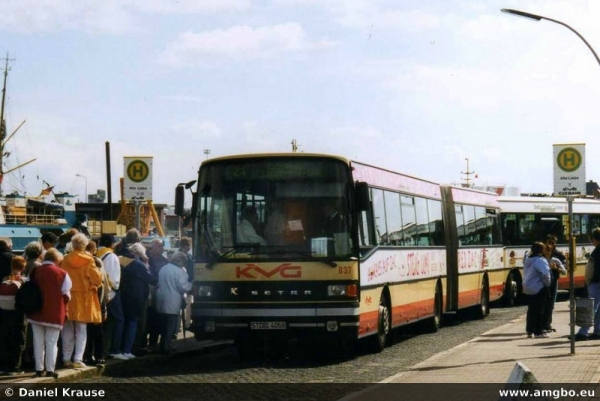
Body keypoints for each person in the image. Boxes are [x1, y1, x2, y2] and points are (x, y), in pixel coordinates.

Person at [26, 248, 71, 378]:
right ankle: (50, 369)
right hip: (54, 312)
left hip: (35, 312)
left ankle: (39, 369)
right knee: (51, 342)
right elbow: (66, 295)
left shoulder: (35, 272)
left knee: (38, 341)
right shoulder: (62, 273)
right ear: (57, 260)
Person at [60, 233, 102, 368]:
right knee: (81, 330)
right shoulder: (89, 259)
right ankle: (77, 359)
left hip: (68, 297)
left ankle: (66, 358)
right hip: (84, 298)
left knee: (67, 330)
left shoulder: (65, 259)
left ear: (72, 245)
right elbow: (97, 279)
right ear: (84, 245)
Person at [118, 242, 156, 359]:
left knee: (122, 323)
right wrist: (147, 263)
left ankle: (119, 348)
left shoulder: (121, 261)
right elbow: (152, 279)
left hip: (123, 295)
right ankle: (128, 349)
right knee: (133, 323)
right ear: (140, 253)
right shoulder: (139, 265)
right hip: (136, 297)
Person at [155, 252, 191, 355]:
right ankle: (167, 346)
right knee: (171, 325)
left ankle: (162, 345)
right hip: (173, 300)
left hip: (161, 299)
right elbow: (183, 286)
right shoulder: (180, 272)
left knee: (163, 325)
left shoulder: (164, 268)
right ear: (180, 261)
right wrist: (192, 285)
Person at [97, 234, 125, 361]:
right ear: (112, 243)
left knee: (105, 323)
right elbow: (113, 278)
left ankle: (104, 349)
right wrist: (115, 291)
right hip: (111, 293)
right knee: (119, 320)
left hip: (98, 292)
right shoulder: (112, 256)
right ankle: (114, 349)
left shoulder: (96, 254)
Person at [0, 256, 27, 375]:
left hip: (4, 313)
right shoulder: (23, 281)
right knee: (19, 340)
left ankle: (4, 366)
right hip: (18, 315)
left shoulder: (4, 279)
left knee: (5, 339)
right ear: (23, 267)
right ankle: (15, 366)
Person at [83, 240, 108, 366]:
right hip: (95, 308)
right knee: (97, 334)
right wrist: (104, 310)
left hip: (89, 308)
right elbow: (103, 295)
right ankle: (97, 356)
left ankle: (90, 356)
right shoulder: (98, 280)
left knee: (90, 334)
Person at [573, 228, 600, 341]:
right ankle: (598, 331)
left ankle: (583, 332)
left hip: (596, 282)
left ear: (594, 239)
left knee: (590, 308)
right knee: (597, 309)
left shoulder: (598, 250)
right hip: (596, 282)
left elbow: (597, 268)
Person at [523, 242, 551, 339]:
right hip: (538, 287)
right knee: (540, 310)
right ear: (542, 250)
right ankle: (538, 331)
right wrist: (547, 284)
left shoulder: (527, 259)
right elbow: (546, 274)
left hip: (528, 287)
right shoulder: (540, 260)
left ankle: (529, 330)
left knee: (531, 309)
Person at [146, 238, 169, 352]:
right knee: (149, 316)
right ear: (153, 247)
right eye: (159, 246)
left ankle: (154, 341)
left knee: (158, 317)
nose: (162, 248)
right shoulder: (147, 259)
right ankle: (146, 341)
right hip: (151, 290)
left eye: (162, 246)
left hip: (160, 291)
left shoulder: (164, 260)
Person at [542, 235, 567, 332]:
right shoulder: (541, 255)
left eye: (554, 242)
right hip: (543, 282)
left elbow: (564, 269)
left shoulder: (558, 255)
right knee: (543, 304)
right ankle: (541, 325)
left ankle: (548, 324)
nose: (551, 244)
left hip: (553, 280)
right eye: (549, 242)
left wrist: (556, 268)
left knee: (551, 304)